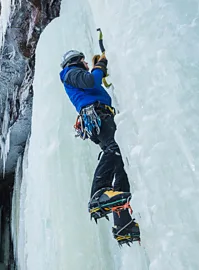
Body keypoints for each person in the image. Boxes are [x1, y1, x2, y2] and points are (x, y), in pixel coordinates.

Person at [59, 49, 140, 245]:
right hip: (95, 115)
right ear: (76, 61)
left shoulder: (76, 73)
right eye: (84, 61)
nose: (87, 64)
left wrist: (99, 70)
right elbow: (90, 81)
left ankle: (123, 225)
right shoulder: (70, 72)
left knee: (120, 162)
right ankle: (98, 194)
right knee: (113, 149)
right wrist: (100, 67)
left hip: (100, 115)